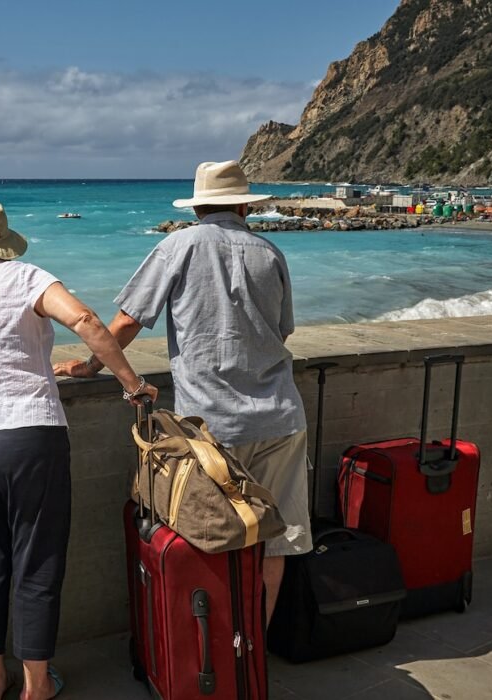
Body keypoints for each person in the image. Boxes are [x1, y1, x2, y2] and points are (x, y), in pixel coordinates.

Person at [54, 160, 312, 626]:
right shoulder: (269, 252)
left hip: (211, 427)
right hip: (280, 417)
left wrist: (91, 365)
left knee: (212, 537)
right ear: (244, 205)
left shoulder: (178, 245)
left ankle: (215, 654)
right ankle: (253, 652)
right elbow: (283, 333)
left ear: (197, 208)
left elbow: (129, 320)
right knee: (279, 540)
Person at [0, 201, 158, 700]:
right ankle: (36, 684)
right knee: (37, 560)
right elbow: (87, 321)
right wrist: (132, 383)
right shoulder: (28, 278)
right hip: (30, 434)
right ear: (5, 240)